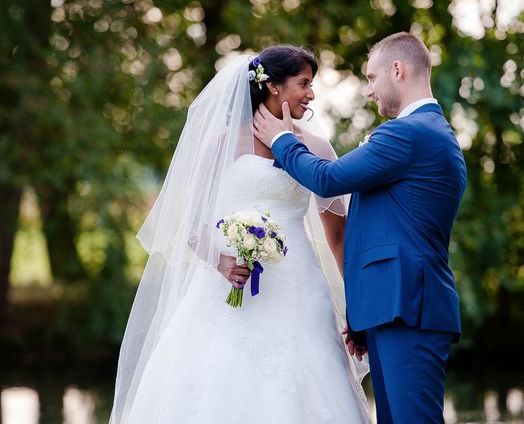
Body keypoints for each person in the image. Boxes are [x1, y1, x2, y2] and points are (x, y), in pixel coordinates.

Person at [109, 46, 370, 424]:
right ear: (274, 86)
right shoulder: (221, 143)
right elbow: (189, 222)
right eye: (304, 83)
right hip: (226, 290)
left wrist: (356, 306)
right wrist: (222, 262)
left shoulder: (315, 146)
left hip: (299, 290)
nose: (312, 94)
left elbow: (338, 235)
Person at [253, 32, 467, 424]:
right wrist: (364, 309)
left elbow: (329, 179)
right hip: (393, 308)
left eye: (371, 77)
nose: (369, 90)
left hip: (409, 309)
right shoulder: (427, 133)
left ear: (397, 70)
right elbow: (380, 232)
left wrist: (282, 139)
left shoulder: (409, 133)